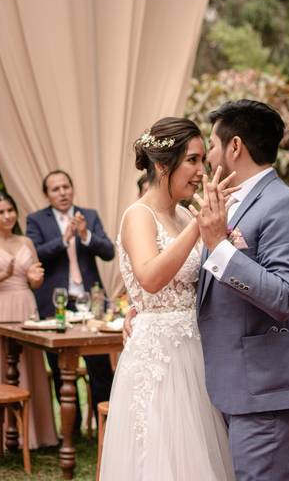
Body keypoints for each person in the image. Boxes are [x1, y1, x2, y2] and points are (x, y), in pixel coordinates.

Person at [100, 117, 235, 479]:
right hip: (157, 357)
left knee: (196, 452)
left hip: (194, 350)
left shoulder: (182, 213)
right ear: (162, 165)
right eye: (192, 160)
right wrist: (199, 226)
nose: (200, 171)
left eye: (202, 160)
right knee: (160, 454)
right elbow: (150, 278)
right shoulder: (138, 215)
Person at [197, 100, 289, 481]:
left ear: (235, 147)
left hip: (266, 392)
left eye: (212, 147)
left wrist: (220, 246)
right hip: (231, 385)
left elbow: (284, 295)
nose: (207, 157)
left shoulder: (287, 204)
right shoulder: (230, 204)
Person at [26, 170, 115, 433]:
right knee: (61, 368)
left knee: (99, 366)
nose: (62, 192)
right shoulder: (36, 220)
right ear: (46, 194)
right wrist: (63, 240)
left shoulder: (89, 215)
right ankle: (72, 429)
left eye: (66, 186)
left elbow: (109, 252)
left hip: (91, 303)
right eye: (55, 189)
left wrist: (86, 235)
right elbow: (35, 255)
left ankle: (105, 427)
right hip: (56, 305)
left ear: (72, 189)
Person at [0, 192, 57, 450]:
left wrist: (35, 276)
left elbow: (35, 280)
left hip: (24, 305)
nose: (7, 216)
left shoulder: (26, 242)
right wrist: (3, 274)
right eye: (1, 212)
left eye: (10, 210)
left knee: (28, 362)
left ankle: (33, 432)